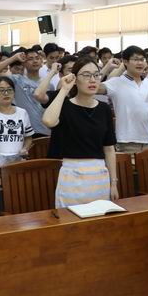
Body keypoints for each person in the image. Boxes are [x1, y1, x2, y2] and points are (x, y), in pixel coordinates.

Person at [42, 57, 118, 207]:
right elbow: (48, 121)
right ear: (75, 79)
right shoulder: (65, 105)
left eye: (96, 75)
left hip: (99, 175)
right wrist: (64, 90)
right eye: (86, 75)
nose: (92, 80)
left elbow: (109, 149)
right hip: (72, 175)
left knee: (99, 218)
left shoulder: (104, 109)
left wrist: (113, 182)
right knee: (70, 219)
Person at [101, 46, 148, 154]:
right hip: (127, 142)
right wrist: (108, 67)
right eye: (136, 59)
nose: (140, 63)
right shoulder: (116, 82)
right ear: (125, 61)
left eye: (142, 59)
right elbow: (94, 86)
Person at [0, 47, 53, 137]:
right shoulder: (17, 79)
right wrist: (14, 58)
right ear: (23, 63)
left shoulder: (48, 84)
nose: (35, 61)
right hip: (23, 129)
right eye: (30, 59)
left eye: (37, 58)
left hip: (45, 130)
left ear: (41, 62)